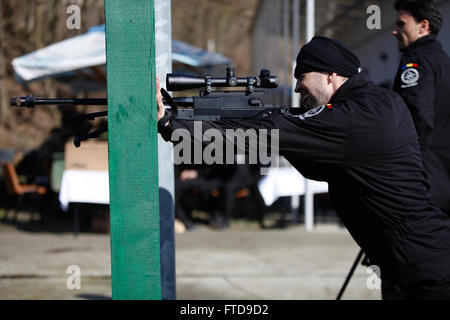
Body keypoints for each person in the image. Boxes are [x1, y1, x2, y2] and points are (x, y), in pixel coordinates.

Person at [156, 36, 450, 300]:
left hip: (424, 271)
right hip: (419, 260)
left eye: (303, 76)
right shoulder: (380, 102)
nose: (297, 87)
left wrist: (172, 125)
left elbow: (266, 134)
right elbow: (316, 163)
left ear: (331, 75)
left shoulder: (349, 118)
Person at [392, 0, 450, 217]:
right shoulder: (444, 62)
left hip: (423, 188)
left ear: (422, 26)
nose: (395, 31)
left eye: (401, 24)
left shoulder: (415, 60)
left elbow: (417, 118)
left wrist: (399, 172)